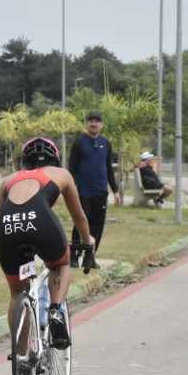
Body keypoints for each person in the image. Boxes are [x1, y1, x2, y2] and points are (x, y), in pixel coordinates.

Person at [0, 137, 95, 352]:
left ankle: (21, 356)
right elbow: (78, 216)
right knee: (60, 263)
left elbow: (0, 216)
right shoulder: (61, 174)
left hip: (8, 228)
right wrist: (88, 241)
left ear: (24, 161)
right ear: (55, 159)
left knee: (17, 294)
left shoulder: (8, 180)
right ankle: (56, 310)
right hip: (40, 222)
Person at [68, 111, 121, 268]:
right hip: (83, 192)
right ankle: (74, 256)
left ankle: (89, 258)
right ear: (86, 124)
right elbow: (72, 168)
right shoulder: (79, 142)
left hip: (101, 192)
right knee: (80, 223)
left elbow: (108, 169)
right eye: (90, 121)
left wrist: (115, 190)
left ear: (101, 125)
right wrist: (72, 187)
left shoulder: (106, 143)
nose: (93, 124)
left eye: (96, 121)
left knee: (97, 226)